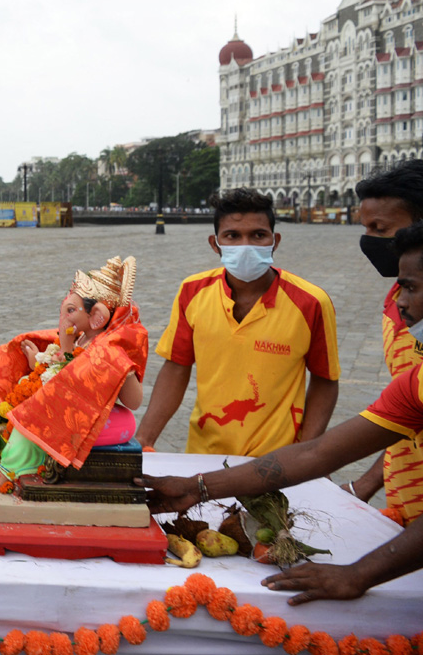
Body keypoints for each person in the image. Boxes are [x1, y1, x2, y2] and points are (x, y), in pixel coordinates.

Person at [140, 219, 423, 605]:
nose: (398, 302)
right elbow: (316, 453)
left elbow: (324, 385)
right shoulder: (414, 384)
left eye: (409, 287)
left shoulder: (308, 299)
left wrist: (360, 574)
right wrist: (195, 488)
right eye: (400, 287)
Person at [135, 188, 340, 456]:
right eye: (232, 236)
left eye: (258, 235)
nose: (246, 245)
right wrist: (143, 439)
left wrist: (306, 453)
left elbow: (325, 379)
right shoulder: (192, 291)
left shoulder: (311, 302)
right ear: (214, 243)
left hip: (277, 461)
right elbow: (176, 367)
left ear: (274, 241)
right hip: (204, 454)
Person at [0, 256, 146, 489]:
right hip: (74, 409)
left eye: (71, 310)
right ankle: (1, 451)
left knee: (41, 409)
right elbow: (63, 371)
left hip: (101, 418)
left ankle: (11, 469)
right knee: (27, 387)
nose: (65, 317)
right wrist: (40, 362)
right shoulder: (83, 338)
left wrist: (123, 369)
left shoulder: (109, 352)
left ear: (97, 317)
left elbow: (132, 402)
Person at [349, 159, 423, 524]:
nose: (370, 241)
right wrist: (366, 484)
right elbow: (403, 414)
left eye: (381, 228)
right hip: (405, 507)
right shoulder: (397, 297)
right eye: (365, 228)